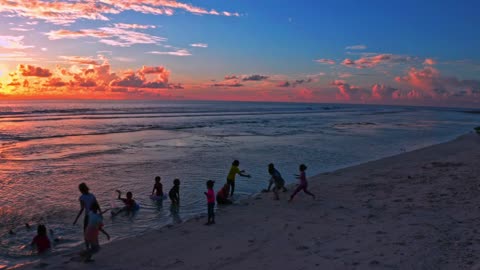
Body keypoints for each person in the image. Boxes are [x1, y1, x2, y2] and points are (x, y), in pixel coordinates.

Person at [73, 183, 100, 247]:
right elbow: (97, 204)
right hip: (94, 215)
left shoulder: (82, 197)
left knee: (85, 232)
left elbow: (82, 209)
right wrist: (100, 213)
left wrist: (76, 219)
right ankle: (96, 244)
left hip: (88, 216)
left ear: (81, 190)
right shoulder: (92, 195)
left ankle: (87, 246)